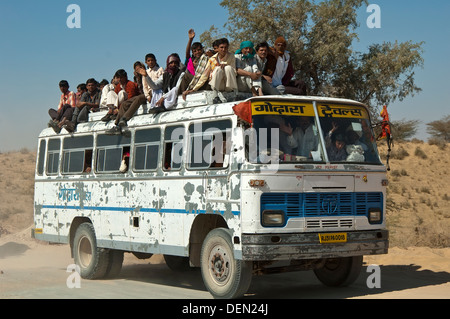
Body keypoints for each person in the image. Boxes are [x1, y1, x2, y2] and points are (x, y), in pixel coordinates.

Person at [189, 38, 238, 103]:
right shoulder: (212, 59)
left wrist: (225, 65)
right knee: (218, 68)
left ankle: (233, 94)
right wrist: (194, 89)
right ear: (217, 48)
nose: (223, 49)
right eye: (221, 47)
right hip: (218, 85)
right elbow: (204, 75)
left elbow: (234, 71)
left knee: (228, 68)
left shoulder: (231, 56)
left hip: (228, 85)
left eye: (225, 47)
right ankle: (215, 96)